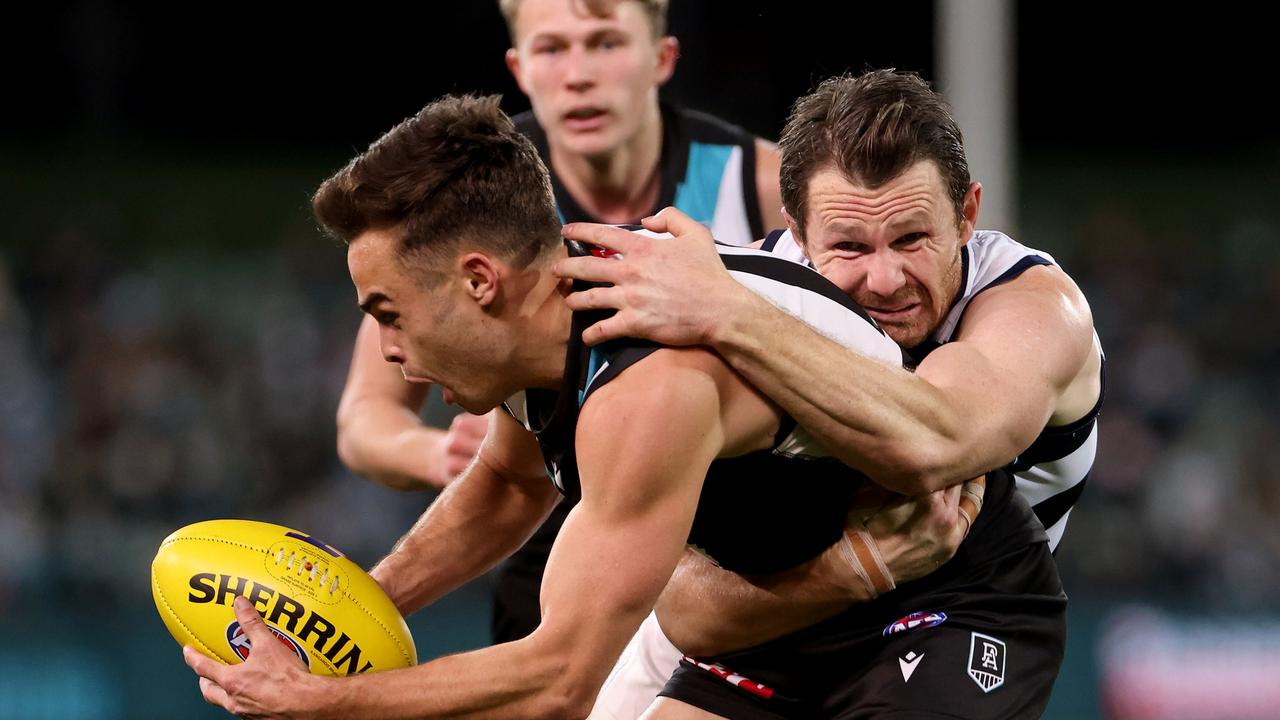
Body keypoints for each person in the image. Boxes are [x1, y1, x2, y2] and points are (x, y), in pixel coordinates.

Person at [184, 94, 1058, 719]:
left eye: (389, 313)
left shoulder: (647, 385)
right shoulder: (558, 307)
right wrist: (344, 614)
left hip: (944, 593)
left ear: (481, 282)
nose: (388, 353)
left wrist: (320, 703)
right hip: (780, 611)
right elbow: (503, 487)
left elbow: (558, 679)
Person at [558, 69, 1103, 717]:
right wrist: (855, 567)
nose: (885, 278)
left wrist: (731, 316)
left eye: (911, 238)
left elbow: (941, 438)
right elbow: (683, 604)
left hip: (953, 605)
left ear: (967, 215)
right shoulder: (747, 291)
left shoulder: (1033, 309)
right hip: (771, 605)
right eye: (848, 245)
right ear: (798, 235)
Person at [334, 0, 785, 647]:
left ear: (662, 59)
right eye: (552, 49)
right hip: (549, 539)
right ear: (518, 68)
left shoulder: (760, 184)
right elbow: (364, 419)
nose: (578, 74)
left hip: (733, 549)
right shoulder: (470, 200)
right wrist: (441, 452)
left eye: (605, 44)